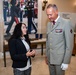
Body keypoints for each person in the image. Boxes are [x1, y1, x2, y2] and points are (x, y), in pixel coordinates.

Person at [45, 4, 74, 75]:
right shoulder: (49, 24)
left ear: (56, 12)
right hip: (50, 58)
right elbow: (48, 41)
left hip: (60, 59)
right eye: (47, 15)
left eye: (50, 14)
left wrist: (66, 61)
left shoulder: (66, 23)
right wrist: (46, 56)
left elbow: (69, 45)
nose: (49, 17)